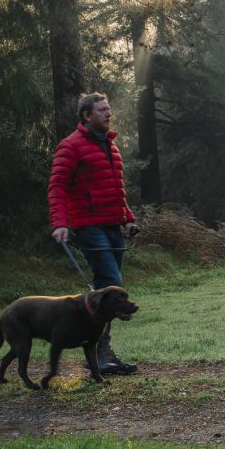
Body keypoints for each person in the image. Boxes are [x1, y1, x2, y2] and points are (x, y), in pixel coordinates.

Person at [48, 92, 141, 375]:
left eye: (109, 109)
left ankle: (100, 353)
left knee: (106, 290)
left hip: (113, 226)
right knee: (111, 285)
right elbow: (58, 187)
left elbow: (115, 190)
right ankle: (100, 355)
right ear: (87, 115)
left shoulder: (111, 147)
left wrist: (127, 218)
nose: (108, 113)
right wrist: (60, 223)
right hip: (89, 227)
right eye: (102, 110)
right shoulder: (70, 146)